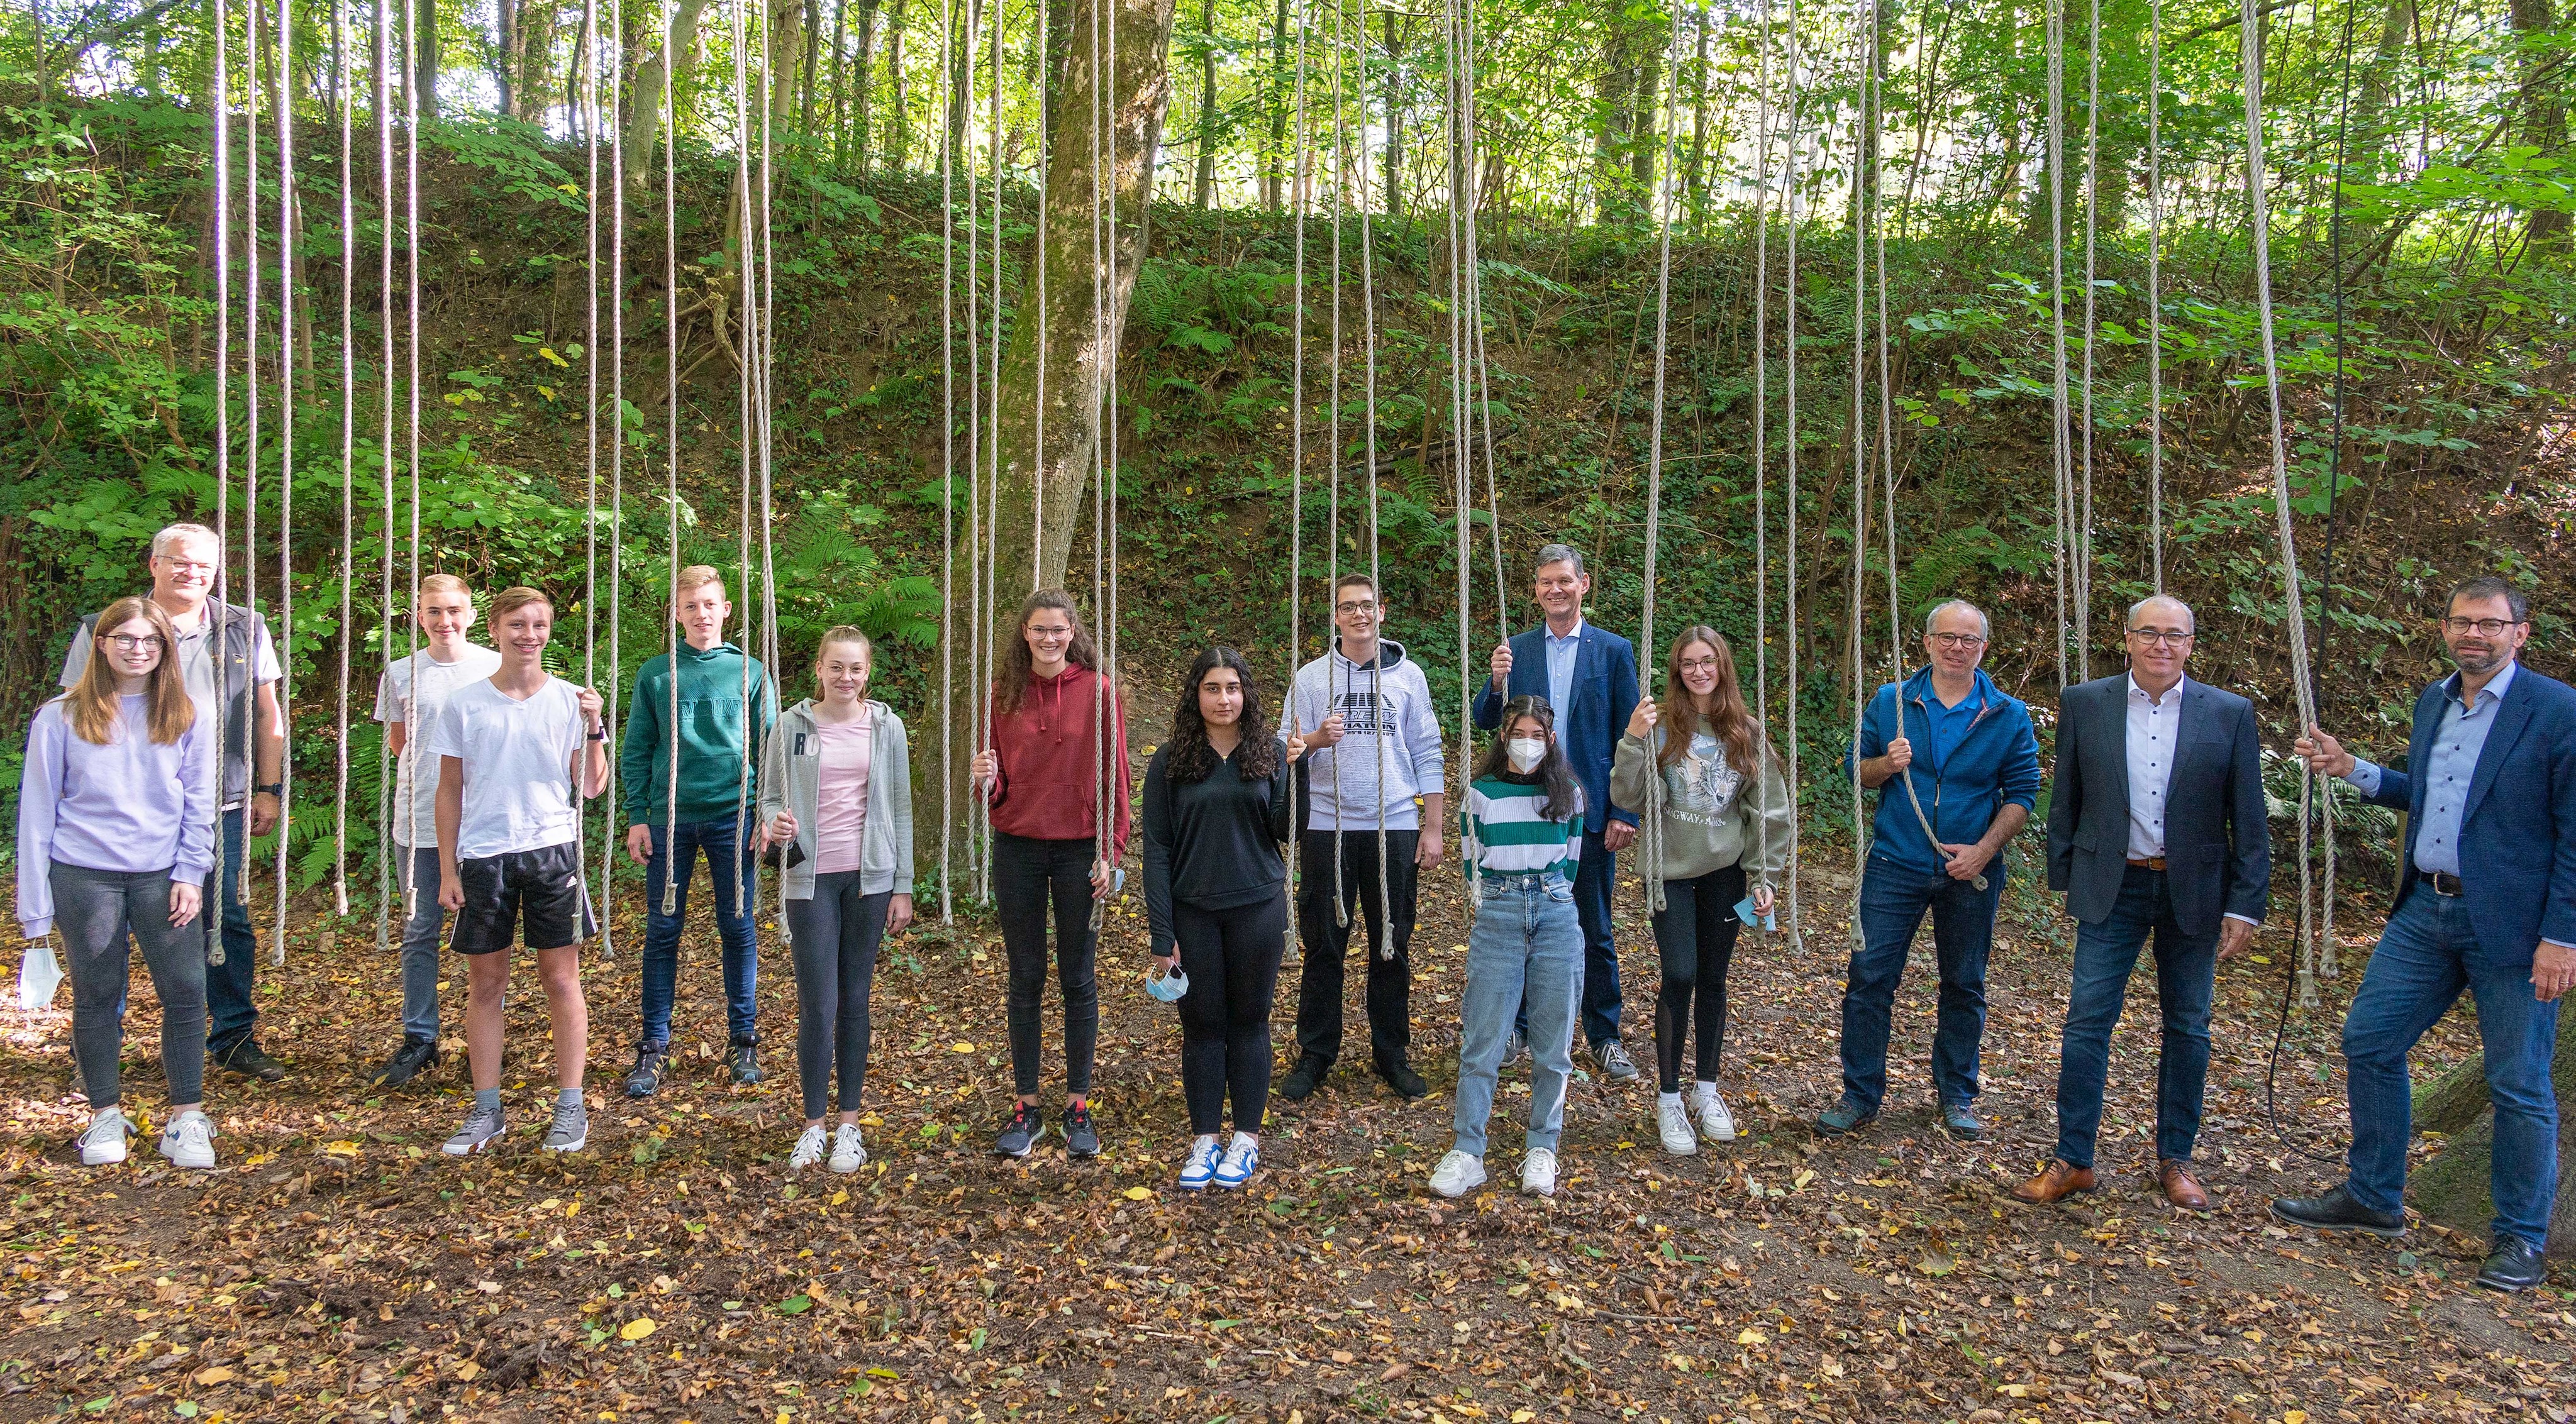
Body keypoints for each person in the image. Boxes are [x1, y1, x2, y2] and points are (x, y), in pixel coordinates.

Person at [2274, 577, 2576, 1294]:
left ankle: (2520, 1240)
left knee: (2519, 1084)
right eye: (2462, 622)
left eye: (2490, 625)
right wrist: (2354, 770)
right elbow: (2432, 792)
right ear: (2443, 629)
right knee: (2371, 1041)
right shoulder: (2434, 700)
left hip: (2515, 928)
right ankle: (2374, 1198)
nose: (2474, 635)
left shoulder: (2557, 711)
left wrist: (2562, 937)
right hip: (2424, 911)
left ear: (2520, 633)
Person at [2015, 596, 2269, 1210]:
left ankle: (2175, 1158)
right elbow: (2066, 795)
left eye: (2174, 635)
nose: (2161, 645)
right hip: (2113, 886)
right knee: (2085, 1023)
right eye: (2149, 634)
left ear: (2190, 643)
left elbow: (2249, 817)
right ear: (2126, 639)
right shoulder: (2085, 703)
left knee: (2188, 1027)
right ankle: (2073, 1159)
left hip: (2196, 893)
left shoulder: (2228, 713)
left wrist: (2246, 903)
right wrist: (2066, 878)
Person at [60, 522, 287, 1083]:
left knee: (225, 915)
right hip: (123, 806)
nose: (193, 573)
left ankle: (232, 1034)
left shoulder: (243, 626)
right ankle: (98, 1037)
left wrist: (269, 787)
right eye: (180, 562)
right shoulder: (110, 628)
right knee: (109, 921)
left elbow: (266, 713)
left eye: (204, 565)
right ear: (154, 563)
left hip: (219, 799)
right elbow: (71, 711)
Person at [1819, 599, 2041, 1142]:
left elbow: (2024, 791)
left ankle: (1957, 1094)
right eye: (1947, 637)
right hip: (1895, 862)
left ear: (1983, 648)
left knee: (1964, 983)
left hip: (1971, 870)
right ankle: (1859, 1094)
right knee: (1870, 979)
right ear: (1926, 642)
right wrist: (1885, 765)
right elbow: (1856, 769)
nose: (1957, 647)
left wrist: (1984, 850)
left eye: (1969, 639)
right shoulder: (1893, 701)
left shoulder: (2006, 713)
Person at [20, 598, 220, 1169]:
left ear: (165, 650)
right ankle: (105, 1113)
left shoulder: (186, 713)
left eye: (150, 641)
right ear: (102, 644)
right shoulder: (60, 716)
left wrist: (190, 872)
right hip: (85, 874)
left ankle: (186, 1118)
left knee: (185, 990)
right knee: (98, 994)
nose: (138, 649)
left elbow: (198, 804)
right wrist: (35, 911)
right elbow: (37, 813)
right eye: (126, 639)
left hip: (163, 874)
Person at [432, 587, 609, 1156]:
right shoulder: (464, 704)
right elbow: (450, 789)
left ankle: (570, 1106)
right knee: (486, 985)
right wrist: (446, 869)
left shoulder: (568, 701)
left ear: (549, 631)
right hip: (484, 854)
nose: (528, 634)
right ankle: (487, 1109)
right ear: (496, 627)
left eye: (538, 625)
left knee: (561, 979)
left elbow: (591, 785)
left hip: (551, 848)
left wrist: (596, 726)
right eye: (516, 624)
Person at [1608, 627, 1791, 1156]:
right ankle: (1668, 1098)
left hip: (1726, 872)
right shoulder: (1660, 724)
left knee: (1714, 978)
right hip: (1671, 871)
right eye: (1688, 663)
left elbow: (1768, 811)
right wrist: (1630, 736)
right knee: (1680, 973)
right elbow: (1626, 793)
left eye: (1707, 661)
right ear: (1677, 670)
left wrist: (1764, 877)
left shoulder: (1745, 731)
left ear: (1723, 666)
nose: (1699, 671)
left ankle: (1706, 1089)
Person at [970, 590, 1132, 1159]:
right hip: (1018, 847)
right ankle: (1027, 1104)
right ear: (1024, 633)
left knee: (1078, 976)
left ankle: (1078, 1104)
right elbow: (997, 789)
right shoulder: (1002, 694)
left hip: (1078, 850)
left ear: (1072, 633)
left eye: (1058, 630)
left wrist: (1111, 851)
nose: (1048, 639)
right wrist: (985, 779)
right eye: (1038, 630)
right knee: (1025, 975)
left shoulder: (1098, 691)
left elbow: (1117, 777)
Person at [1472, 544, 1644, 1083]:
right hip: (1528, 808)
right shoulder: (1517, 650)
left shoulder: (1613, 651)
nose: (1555, 589)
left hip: (1588, 811)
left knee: (1593, 925)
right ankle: (1519, 1026)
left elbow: (1628, 734)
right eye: (1546, 582)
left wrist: (1624, 810)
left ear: (1584, 584)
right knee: (1524, 923)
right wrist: (1496, 682)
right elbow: (1486, 721)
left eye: (1564, 580)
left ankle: (1604, 1032)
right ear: (1537, 589)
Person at [1142, 648, 1304, 1191]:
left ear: (1246, 694)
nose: (1223, 698)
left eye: (1232, 687)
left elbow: (1286, 829)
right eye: (1212, 688)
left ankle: (1247, 1138)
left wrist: (1299, 776)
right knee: (1203, 1026)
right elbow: (1158, 849)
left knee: (1250, 1021)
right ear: (1197, 695)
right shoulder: (1171, 762)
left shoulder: (1272, 753)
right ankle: (1205, 1138)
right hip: (1194, 911)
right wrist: (1162, 935)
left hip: (1257, 906)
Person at [1280, 573, 1445, 1103]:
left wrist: (1434, 825)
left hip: (1393, 821)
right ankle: (1316, 1052)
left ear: (1382, 612)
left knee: (1392, 941)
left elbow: (1428, 750)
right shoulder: (1311, 677)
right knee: (1324, 943)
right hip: (1327, 824)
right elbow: (1284, 748)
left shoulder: (1410, 677)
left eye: (1367, 605)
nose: (1358, 614)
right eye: (1348, 607)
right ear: (1335, 617)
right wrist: (1313, 739)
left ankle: (1391, 1051)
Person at [760, 627, 914, 1173]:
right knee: (817, 1001)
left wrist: (904, 885)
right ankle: (813, 1124)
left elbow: (900, 808)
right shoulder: (791, 725)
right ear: (819, 670)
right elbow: (771, 794)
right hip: (811, 879)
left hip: (870, 877)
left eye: (856, 668)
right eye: (836, 667)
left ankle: (849, 1123)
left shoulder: (887, 727)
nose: (845, 677)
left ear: (867, 673)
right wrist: (772, 823)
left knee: (855, 997)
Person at [618, 565, 775, 1096]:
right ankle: (654, 1046)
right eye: (691, 606)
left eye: (710, 604)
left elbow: (771, 749)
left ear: (725, 609)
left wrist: (767, 813)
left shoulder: (751, 672)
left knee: (738, 926)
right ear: (677, 613)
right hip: (670, 819)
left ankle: (744, 1038)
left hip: (736, 816)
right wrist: (637, 814)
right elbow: (637, 748)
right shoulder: (657, 674)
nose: (701, 613)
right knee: (663, 931)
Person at [1433, 697, 1589, 1200]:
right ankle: (1468, 1150)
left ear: (1551, 740)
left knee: (1553, 1044)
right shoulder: (1481, 795)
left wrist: (1547, 897)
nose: (1528, 742)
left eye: (1537, 734)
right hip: (1498, 912)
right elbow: (1470, 862)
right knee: (1483, 1039)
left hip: (1555, 912)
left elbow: (1572, 863)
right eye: (1518, 732)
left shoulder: (1569, 795)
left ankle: (1543, 1145)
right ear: (1503, 737)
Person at [369, 573, 503, 1088]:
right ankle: (420, 1036)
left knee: (488, 933)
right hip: (420, 821)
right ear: (419, 616)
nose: (444, 621)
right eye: (434, 611)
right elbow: (401, 744)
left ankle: (484, 1039)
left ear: (471, 615)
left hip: (487, 821)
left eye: (454, 611)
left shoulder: (494, 666)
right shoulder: (402, 673)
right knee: (421, 929)